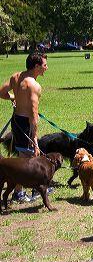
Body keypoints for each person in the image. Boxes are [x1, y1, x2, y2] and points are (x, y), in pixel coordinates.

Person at [0, 52, 49, 202]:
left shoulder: (16, 76)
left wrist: (14, 97)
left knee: (27, 156)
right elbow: (34, 113)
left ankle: (35, 188)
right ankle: (19, 192)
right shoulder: (34, 85)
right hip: (25, 124)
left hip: (16, 120)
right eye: (45, 65)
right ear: (36, 66)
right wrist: (34, 137)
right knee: (28, 158)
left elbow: (1, 92)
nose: (46, 68)